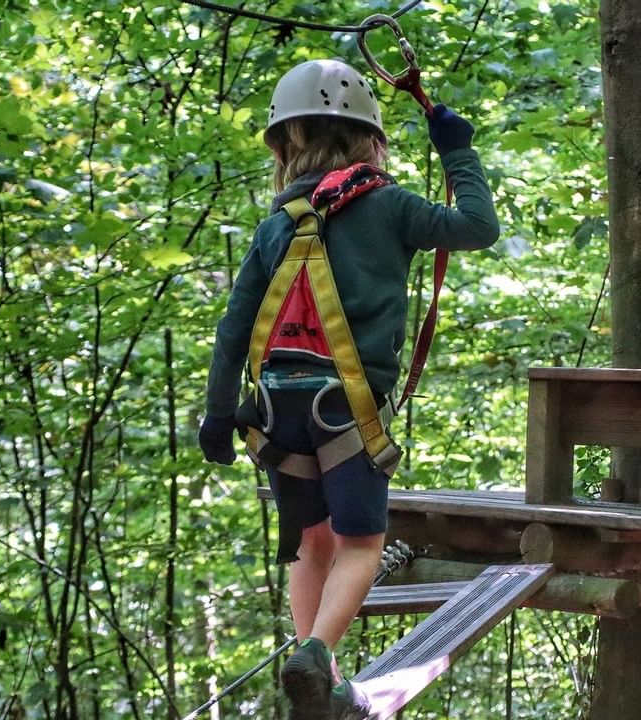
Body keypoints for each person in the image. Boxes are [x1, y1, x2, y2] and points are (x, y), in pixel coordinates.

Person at [198, 58, 499, 720]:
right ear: (371, 138)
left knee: (312, 544)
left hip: (276, 408)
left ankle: (323, 689)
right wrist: (459, 152)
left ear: (285, 142)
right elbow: (478, 226)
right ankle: (315, 657)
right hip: (348, 409)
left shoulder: (275, 225)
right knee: (361, 544)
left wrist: (218, 415)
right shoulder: (391, 207)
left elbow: (233, 329)